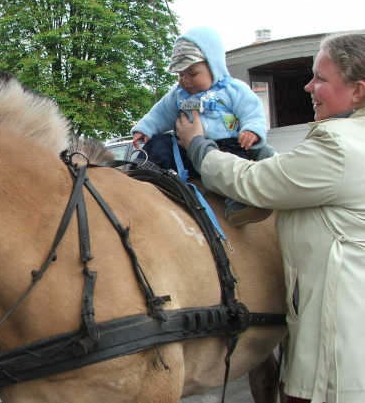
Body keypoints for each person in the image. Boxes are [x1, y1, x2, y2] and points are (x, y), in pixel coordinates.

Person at [176, 30, 365, 403]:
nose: (309, 87)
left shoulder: (338, 144)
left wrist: (199, 146)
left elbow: (255, 183)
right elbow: (298, 179)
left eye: (321, 79)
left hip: (339, 350)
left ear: (358, 91)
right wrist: (266, 155)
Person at [131, 26, 273, 227]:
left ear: (213, 67)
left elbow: (252, 110)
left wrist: (251, 130)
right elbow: (160, 113)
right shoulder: (178, 95)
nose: (185, 81)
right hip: (186, 151)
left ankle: (239, 203)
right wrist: (144, 128)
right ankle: (141, 175)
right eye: (180, 74)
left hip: (226, 146)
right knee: (159, 143)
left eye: (193, 73)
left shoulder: (233, 89)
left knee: (238, 163)